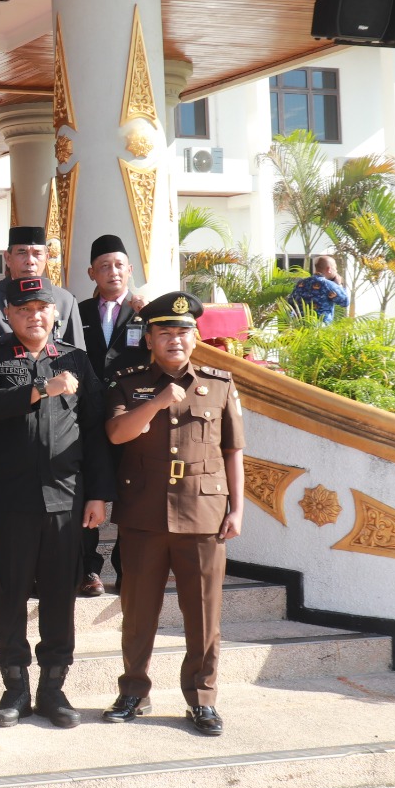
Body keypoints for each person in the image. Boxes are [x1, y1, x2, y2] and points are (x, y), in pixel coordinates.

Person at [0, 276, 113, 729]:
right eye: (23, 309)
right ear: (8, 314)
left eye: (41, 308)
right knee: (8, 592)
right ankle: (14, 687)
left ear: (55, 313)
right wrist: (40, 389)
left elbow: (96, 431)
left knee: (59, 594)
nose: (34, 316)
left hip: (64, 498)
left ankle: (53, 687)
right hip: (8, 499)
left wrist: (98, 494)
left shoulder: (75, 360)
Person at [103, 293, 245, 737]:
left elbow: (233, 451)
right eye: (164, 332)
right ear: (148, 339)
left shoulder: (219, 384)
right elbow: (117, 433)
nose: (175, 340)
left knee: (203, 614)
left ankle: (202, 699)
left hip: (203, 512)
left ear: (195, 337)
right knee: (138, 612)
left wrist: (237, 509)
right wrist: (158, 401)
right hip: (144, 512)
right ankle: (133, 691)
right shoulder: (127, 383)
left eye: (183, 332)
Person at [76, 233, 147, 596]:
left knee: (130, 493)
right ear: (92, 273)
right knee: (86, 490)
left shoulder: (144, 312)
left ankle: (126, 567)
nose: (113, 271)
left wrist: (148, 314)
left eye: (119, 265)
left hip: (130, 413)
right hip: (86, 415)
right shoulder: (78, 312)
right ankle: (88, 570)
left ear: (130, 269)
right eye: (104, 266)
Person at [0, 226, 86, 348]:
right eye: (22, 252)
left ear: (46, 258)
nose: (30, 261)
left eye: (37, 253)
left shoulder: (66, 300)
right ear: (8, 258)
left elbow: (77, 351)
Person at [288, 255, 350, 324]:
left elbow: (290, 302)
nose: (336, 271)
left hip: (301, 327)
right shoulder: (328, 285)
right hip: (320, 328)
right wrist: (338, 285)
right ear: (329, 269)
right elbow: (345, 302)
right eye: (335, 268)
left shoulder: (301, 283)